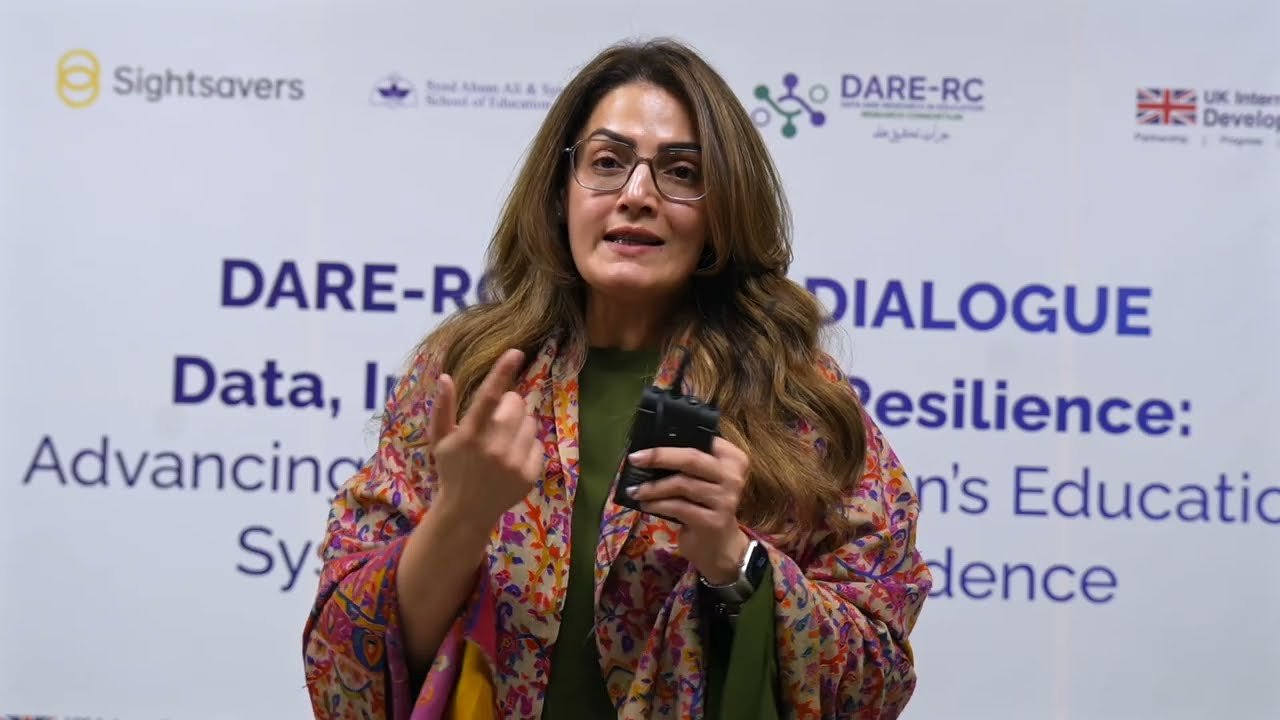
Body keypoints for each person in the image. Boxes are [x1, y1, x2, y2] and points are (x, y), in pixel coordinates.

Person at [301, 36, 932, 720]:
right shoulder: (468, 373)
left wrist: (733, 560)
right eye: (607, 163)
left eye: (682, 172)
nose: (637, 195)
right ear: (561, 190)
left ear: (723, 210)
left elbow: (875, 680)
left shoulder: (794, 398)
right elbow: (344, 671)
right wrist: (462, 514)